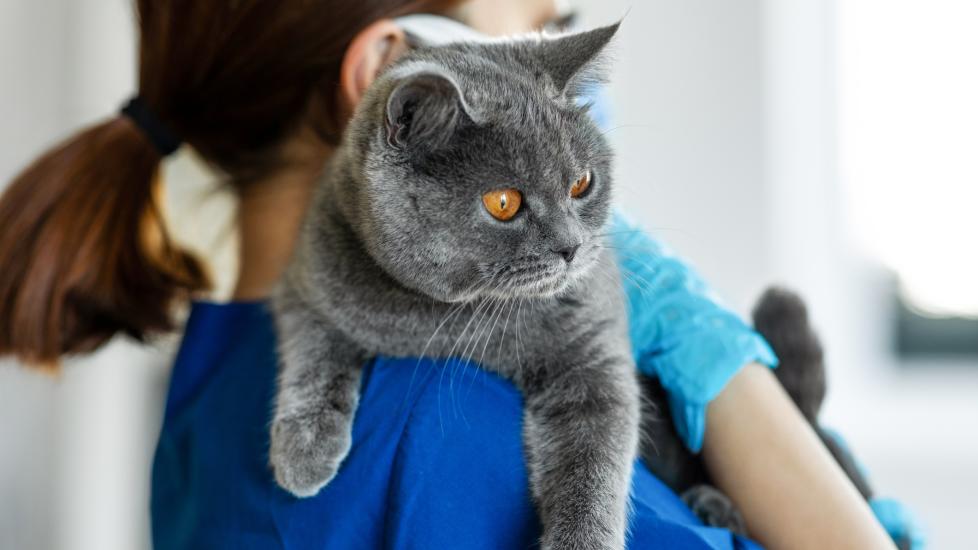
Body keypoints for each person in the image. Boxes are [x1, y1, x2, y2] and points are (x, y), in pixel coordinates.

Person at [0, 1, 894, 549]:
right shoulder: (448, 420)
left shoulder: (207, 377)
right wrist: (735, 382)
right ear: (389, 78)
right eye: (536, 30)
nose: (553, 65)